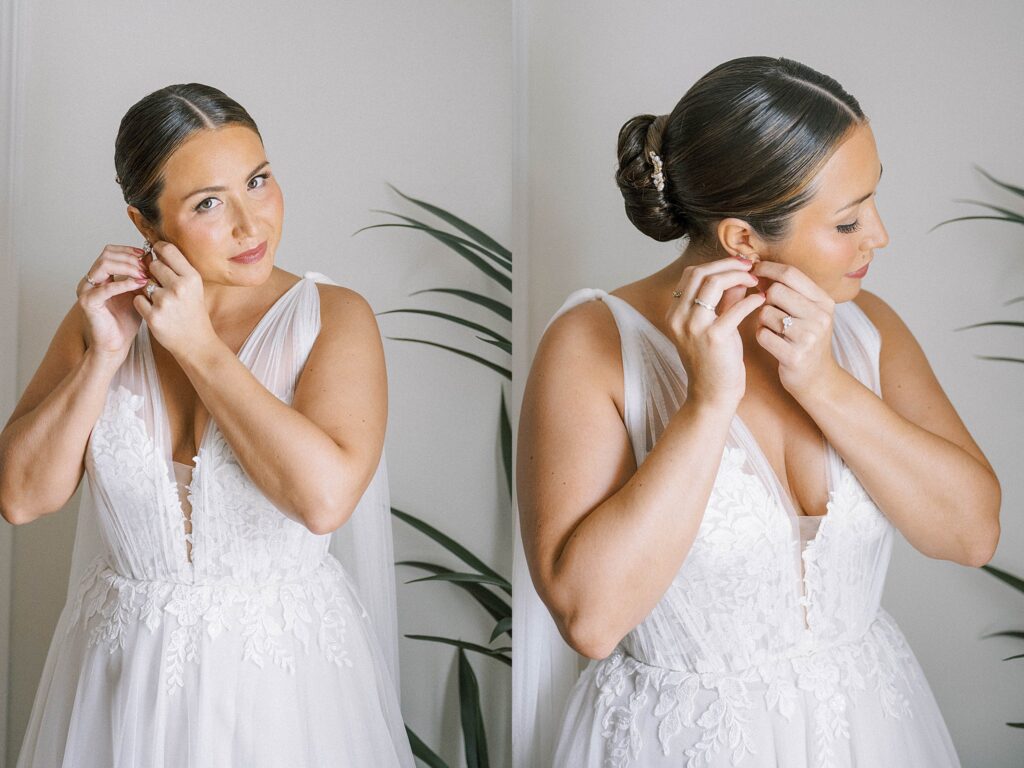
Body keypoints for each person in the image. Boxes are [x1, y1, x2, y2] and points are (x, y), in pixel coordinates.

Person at [514, 56, 1000, 768]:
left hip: (869, 731)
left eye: (872, 201)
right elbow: (591, 620)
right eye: (847, 220)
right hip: (682, 745)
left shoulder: (867, 330)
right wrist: (708, 406)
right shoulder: (590, 344)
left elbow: (971, 535)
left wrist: (825, 383)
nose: (880, 235)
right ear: (743, 239)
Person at [0, 83, 414, 767]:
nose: (252, 226)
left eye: (259, 181)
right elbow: (19, 497)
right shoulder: (101, 319)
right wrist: (102, 356)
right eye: (209, 203)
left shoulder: (336, 318)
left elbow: (323, 499)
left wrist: (197, 346)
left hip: (284, 695)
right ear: (145, 222)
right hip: (119, 691)